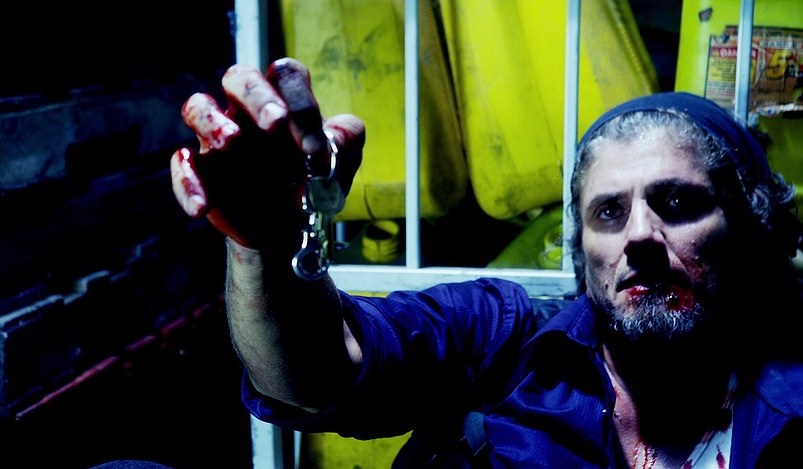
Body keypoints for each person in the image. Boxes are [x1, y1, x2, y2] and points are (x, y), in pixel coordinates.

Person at [170, 57, 803, 468]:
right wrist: (266, 243)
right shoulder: (506, 340)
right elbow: (316, 374)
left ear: (751, 229)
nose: (639, 235)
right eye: (609, 212)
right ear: (583, 251)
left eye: (678, 203)